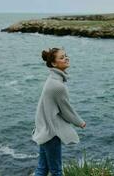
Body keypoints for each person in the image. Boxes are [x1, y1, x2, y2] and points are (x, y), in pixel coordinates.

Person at [32, 47, 86, 176]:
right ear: (54, 64)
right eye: (62, 57)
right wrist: (80, 122)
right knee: (56, 171)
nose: (66, 58)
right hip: (51, 132)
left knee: (42, 168)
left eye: (66, 55)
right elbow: (66, 110)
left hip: (44, 128)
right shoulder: (58, 86)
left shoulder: (52, 79)